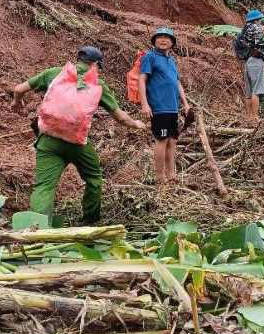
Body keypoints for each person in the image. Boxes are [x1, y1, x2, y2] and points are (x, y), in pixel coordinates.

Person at [11, 46, 145, 225]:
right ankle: (90, 222)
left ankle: (37, 228)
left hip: (48, 141)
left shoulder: (54, 73)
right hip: (77, 144)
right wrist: (136, 124)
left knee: (44, 186)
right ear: (95, 65)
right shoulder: (97, 84)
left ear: (78, 59)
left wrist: (17, 102)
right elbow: (121, 117)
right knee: (94, 179)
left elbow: (19, 89)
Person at [138, 27, 190, 185]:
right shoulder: (150, 57)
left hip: (173, 108)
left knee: (172, 141)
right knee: (161, 140)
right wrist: (144, 104)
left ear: (172, 43)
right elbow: (142, 80)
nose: (163, 40)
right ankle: (160, 177)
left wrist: (185, 104)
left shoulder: (172, 61)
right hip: (159, 108)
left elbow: (177, 83)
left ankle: (171, 174)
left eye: (167, 37)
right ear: (154, 41)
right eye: (159, 37)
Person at [236, 9, 264, 123]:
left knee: (249, 92)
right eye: (260, 19)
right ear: (256, 19)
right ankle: (255, 117)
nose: (261, 21)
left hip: (247, 62)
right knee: (256, 91)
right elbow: (263, 46)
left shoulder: (244, 30)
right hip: (256, 61)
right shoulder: (257, 29)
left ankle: (248, 117)